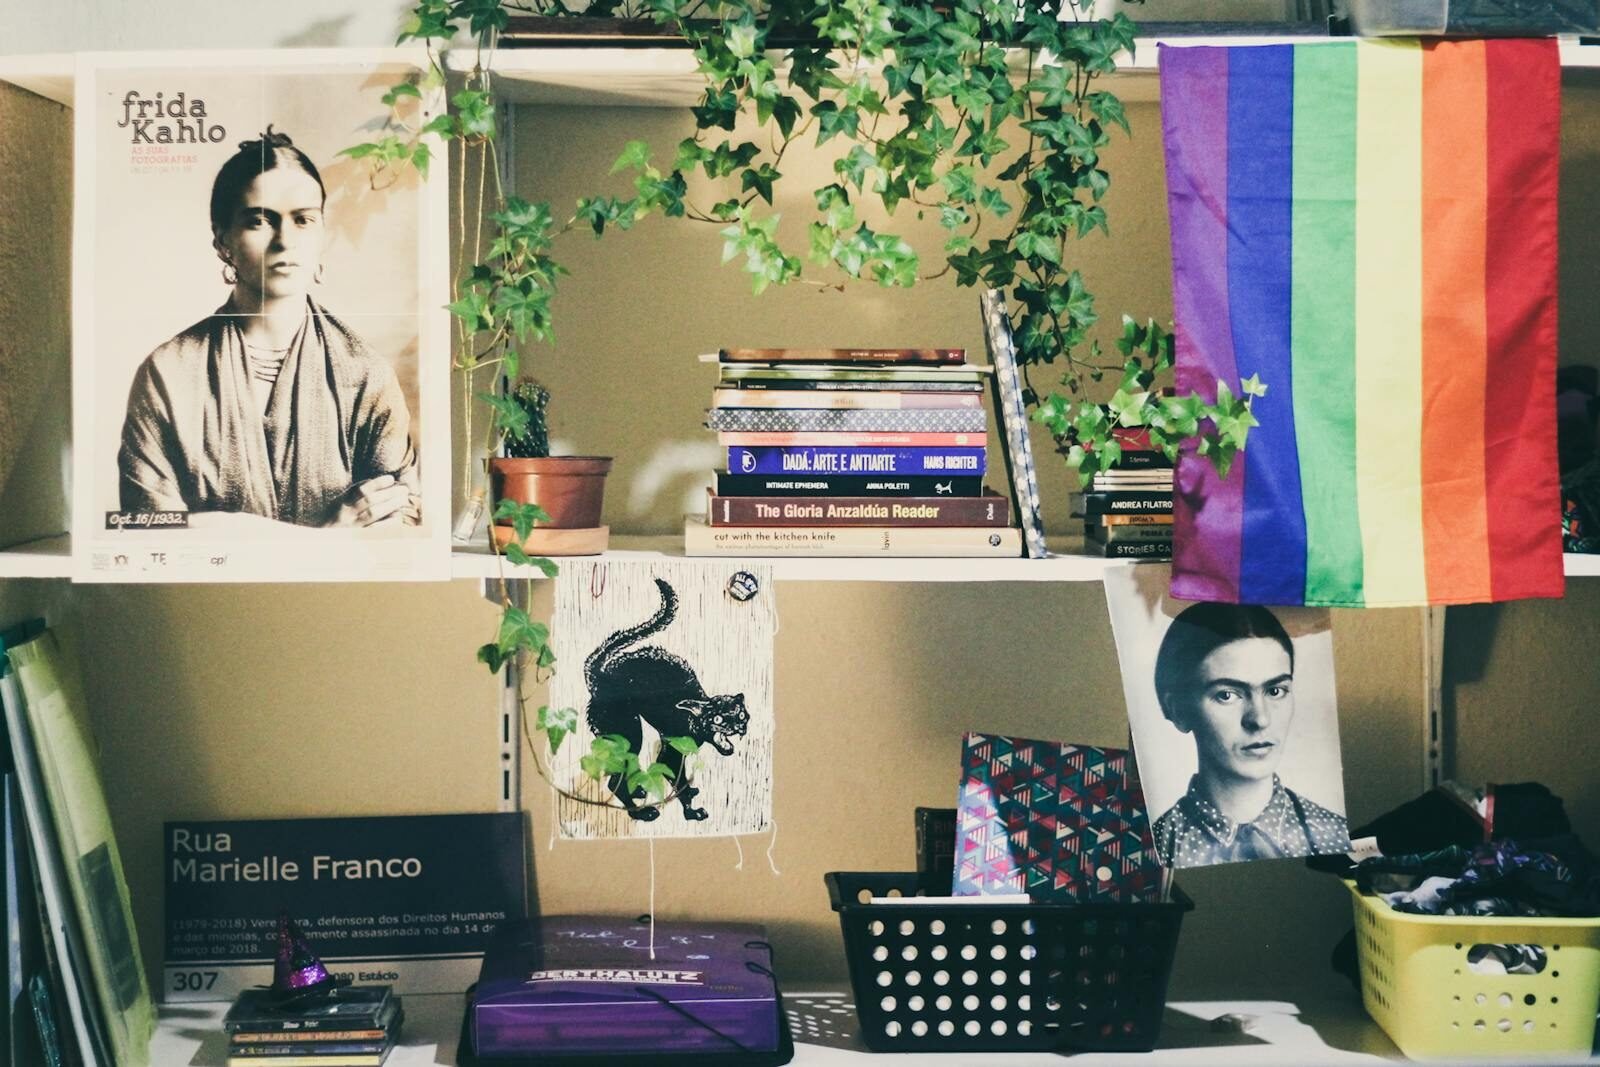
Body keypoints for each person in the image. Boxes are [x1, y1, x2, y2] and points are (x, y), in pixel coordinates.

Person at [118, 127, 419, 529]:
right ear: (223, 241)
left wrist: (217, 528)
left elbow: (400, 519)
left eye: (303, 220)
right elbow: (148, 526)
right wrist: (327, 537)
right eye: (260, 220)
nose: (285, 241)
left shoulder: (364, 375)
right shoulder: (169, 373)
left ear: (322, 236)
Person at [1150, 602, 1349, 867]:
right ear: (1178, 709)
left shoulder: (1332, 834)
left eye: (1275, 691)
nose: (1260, 719)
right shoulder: (1158, 846)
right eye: (1227, 695)